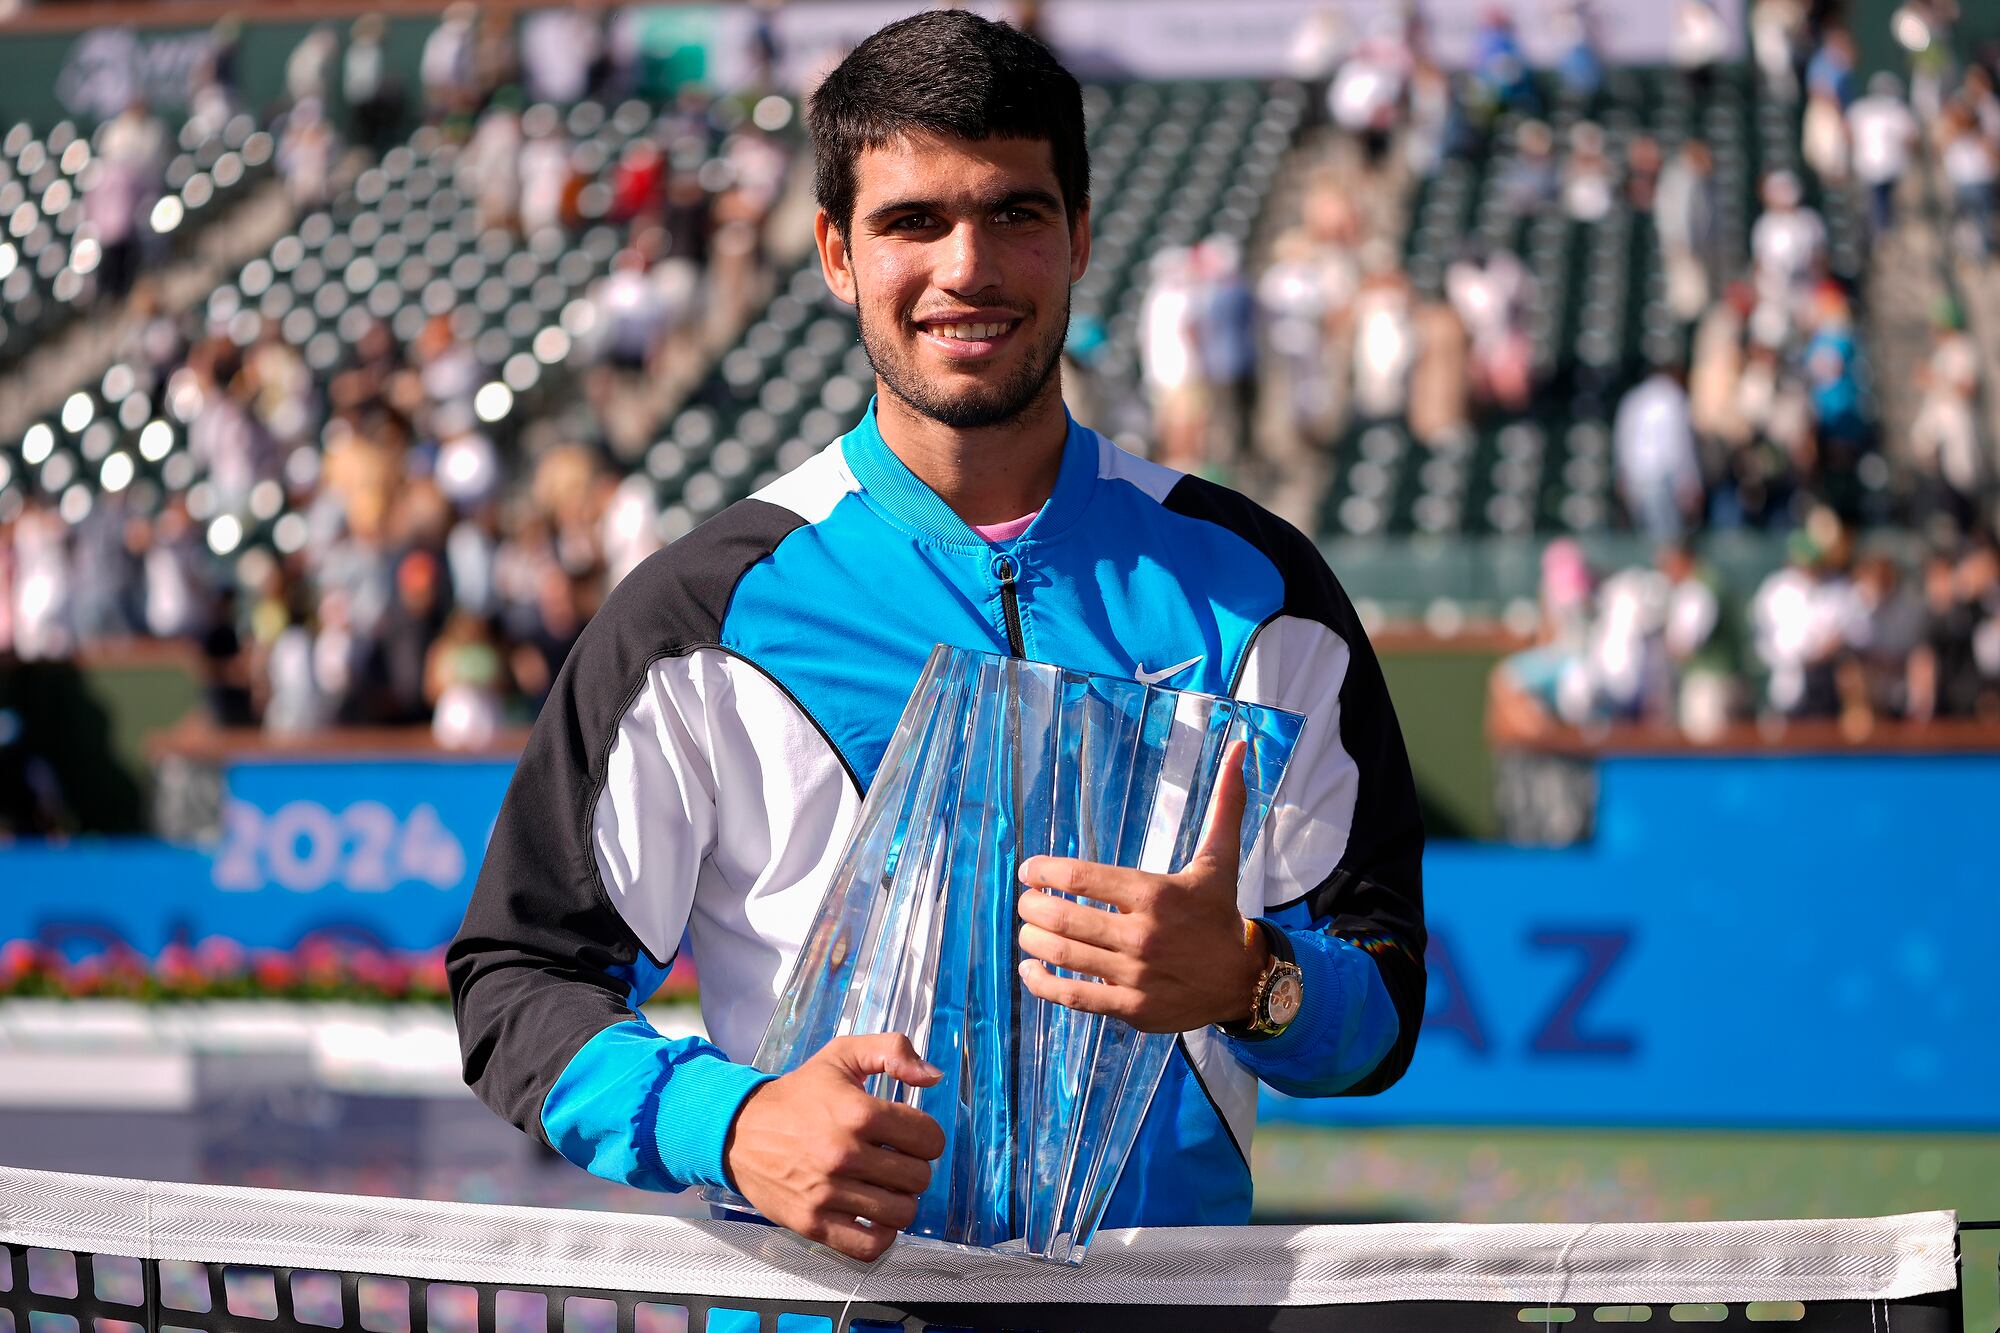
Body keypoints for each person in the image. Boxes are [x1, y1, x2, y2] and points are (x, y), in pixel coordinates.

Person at [450, 10, 1425, 1264]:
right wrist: (734, 1123)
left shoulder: (1257, 586)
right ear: (833, 254)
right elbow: (519, 981)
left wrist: (1253, 983)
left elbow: (1380, 1000)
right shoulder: (699, 612)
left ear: (1078, 237)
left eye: (1013, 214)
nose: (966, 267)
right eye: (911, 221)